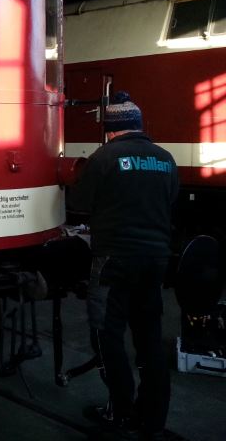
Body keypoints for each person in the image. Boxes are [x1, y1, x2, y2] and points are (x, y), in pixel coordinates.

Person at [70, 91, 179, 441]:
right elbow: (171, 201)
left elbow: (79, 202)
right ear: (138, 125)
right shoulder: (165, 159)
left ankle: (120, 412)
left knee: (106, 334)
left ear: (111, 129)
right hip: (156, 259)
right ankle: (153, 418)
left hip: (114, 260)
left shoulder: (104, 157)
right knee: (149, 336)